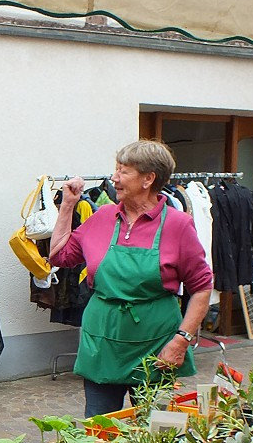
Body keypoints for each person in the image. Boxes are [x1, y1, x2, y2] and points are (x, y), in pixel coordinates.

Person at [49, 140, 213, 417]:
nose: (114, 178)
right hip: (103, 340)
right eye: (116, 170)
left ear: (149, 178)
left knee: (157, 429)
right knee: (100, 427)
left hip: (156, 343)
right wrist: (68, 206)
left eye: (123, 171)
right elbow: (59, 255)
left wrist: (181, 340)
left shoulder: (177, 224)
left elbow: (202, 288)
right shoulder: (102, 217)